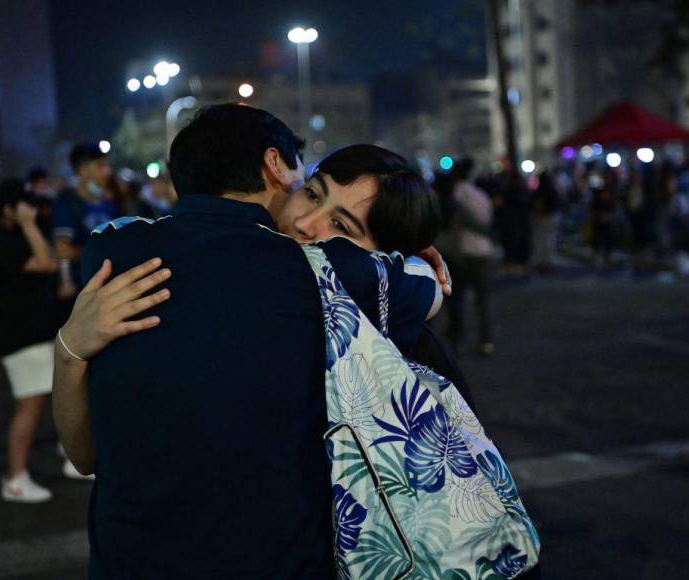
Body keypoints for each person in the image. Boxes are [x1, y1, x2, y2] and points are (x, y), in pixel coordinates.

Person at [53, 105, 453, 578]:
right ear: (275, 165)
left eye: (342, 228)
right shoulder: (324, 276)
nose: (308, 223)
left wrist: (68, 347)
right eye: (310, 191)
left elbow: (85, 456)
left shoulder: (113, 251)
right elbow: (430, 288)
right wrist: (419, 264)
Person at [0, 180, 60, 503]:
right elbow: (47, 262)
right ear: (8, 208)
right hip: (19, 335)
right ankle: (15, 476)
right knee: (29, 405)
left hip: (33, 331)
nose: (31, 210)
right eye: (23, 205)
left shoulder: (10, 235)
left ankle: (59, 458)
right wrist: (28, 225)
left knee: (43, 400)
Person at [51, 142, 119, 322]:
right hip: (83, 298)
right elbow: (62, 250)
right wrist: (102, 251)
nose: (107, 172)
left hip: (111, 293)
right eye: (100, 166)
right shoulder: (67, 205)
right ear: (82, 170)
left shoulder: (110, 206)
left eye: (107, 165)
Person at [446, 157, 496, 356]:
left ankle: (456, 340)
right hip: (484, 251)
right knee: (483, 300)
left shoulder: (457, 193)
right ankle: (486, 341)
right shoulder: (482, 195)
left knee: (457, 298)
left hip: (463, 252)